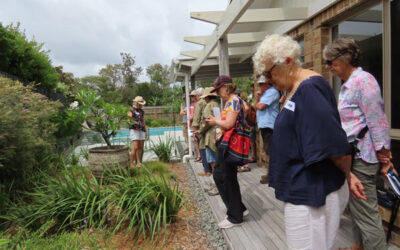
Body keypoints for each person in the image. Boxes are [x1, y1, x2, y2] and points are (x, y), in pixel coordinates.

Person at [253, 34, 366, 250]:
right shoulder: (295, 89)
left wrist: (348, 175)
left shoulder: (309, 89)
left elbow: (334, 143)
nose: (267, 80)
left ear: (287, 61)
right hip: (304, 188)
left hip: (312, 192)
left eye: (269, 72)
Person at [323, 37, 395, 250]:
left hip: (363, 157)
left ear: (344, 58)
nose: (327, 67)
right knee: (357, 208)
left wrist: (384, 156)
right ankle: (358, 246)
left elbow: (377, 120)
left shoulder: (364, 80)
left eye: (330, 62)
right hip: (353, 155)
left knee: (367, 213)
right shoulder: (349, 84)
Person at [205, 75, 249, 229]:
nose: (218, 94)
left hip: (228, 144)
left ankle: (235, 216)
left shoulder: (234, 101)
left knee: (222, 176)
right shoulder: (232, 101)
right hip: (226, 143)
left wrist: (215, 121)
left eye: (218, 90)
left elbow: (229, 123)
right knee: (227, 177)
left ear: (225, 87)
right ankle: (239, 209)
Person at [254, 75, 280, 184]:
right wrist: (258, 100)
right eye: (259, 84)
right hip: (266, 126)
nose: (260, 86)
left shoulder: (271, 92)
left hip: (270, 125)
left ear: (267, 84)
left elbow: (260, 106)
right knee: (269, 151)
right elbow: (258, 105)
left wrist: (257, 101)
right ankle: (271, 174)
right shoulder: (267, 93)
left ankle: (274, 175)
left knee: (271, 151)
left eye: (261, 84)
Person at [196, 87, 219, 177]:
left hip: (210, 135)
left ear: (207, 97)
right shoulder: (216, 104)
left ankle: (216, 182)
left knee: (212, 160)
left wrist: (200, 131)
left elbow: (206, 122)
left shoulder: (209, 106)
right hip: (216, 133)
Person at [192, 88, 212, 176]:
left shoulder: (200, 103)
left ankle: (207, 170)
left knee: (202, 148)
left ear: (198, 96)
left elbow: (196, 118)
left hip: (202, 128)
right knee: (209, 149)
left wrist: (194, 130)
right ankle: (211, 168)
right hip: (210, 127)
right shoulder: (210, 102)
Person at [127, 96, 147, 168]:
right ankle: (131, 164)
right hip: (134, 130)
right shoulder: (131, 110)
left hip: (141, 130)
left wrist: (145, 131)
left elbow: (143, 121)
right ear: (136, 103)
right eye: (140, 103)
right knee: (135, 147)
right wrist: (135, 123)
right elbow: (128, 121)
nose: (141, 105)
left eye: (141, 104)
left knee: (140, 147)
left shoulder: (142, 111)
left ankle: (138, 162)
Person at [189, 90, 201, 161]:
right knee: (194, 140)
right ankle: (199, 155)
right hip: (192, 125)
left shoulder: (199, 104)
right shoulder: (191, 105)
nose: (192, 97)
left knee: (199, 140)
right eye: (191, 96)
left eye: (193, 96)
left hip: (198, 125)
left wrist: (192, 117)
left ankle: (202, 156)